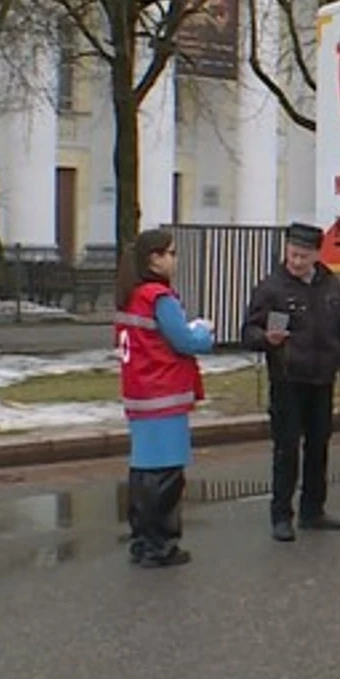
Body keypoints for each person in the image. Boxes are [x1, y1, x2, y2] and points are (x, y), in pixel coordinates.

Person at [242, 222, 340, 542]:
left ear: (316, 255)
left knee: (319, 445)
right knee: (287, 448)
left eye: (303, 256)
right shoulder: (272, 288)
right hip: (288, 379)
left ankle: (313, 510)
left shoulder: (331, 285)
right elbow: (248, 332)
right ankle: (281, 515)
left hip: (322, 379)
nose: (296, 262)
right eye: (293, 255)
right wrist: (267, 338)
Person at [114, 227, 215, 567]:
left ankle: (142, 541)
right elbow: (186, 342)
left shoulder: (130, 295)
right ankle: (162, 546)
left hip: (139, 395)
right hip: (164, 395)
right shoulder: (159, 297)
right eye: (170, 253)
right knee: (166, 476)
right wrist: (203, 329)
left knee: (143, 473)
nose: (174, 259)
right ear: (153, 259)